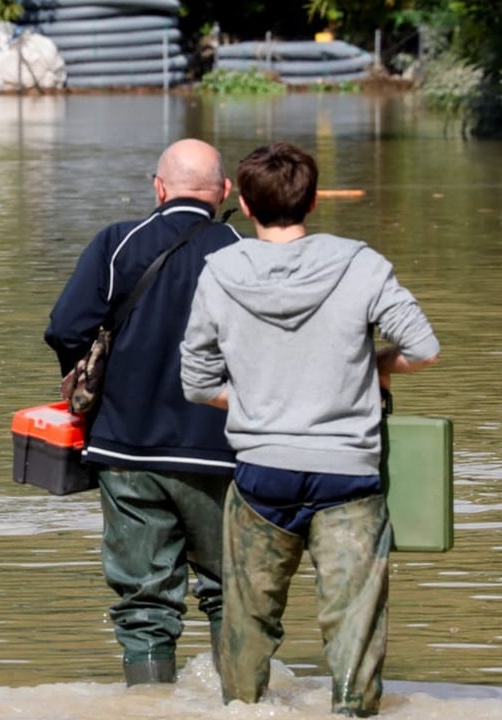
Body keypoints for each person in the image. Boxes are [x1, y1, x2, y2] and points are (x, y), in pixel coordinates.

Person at [181, 141, 440, 716]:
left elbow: (196, 383)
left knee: (247, 620)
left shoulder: (219, 273)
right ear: (314, 201)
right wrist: (373, 367)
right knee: (355, 626)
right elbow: (423, 350)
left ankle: (241, 708)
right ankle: (352, 709)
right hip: (346, 475)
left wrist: (256, 404)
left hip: (260, 476)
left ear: (244, 204)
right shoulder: (362, 265)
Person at [44, 139, 240, 686]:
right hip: (220, 452)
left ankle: (148, 702)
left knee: (144, 602)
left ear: (159, 188)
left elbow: (65, 327)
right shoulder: (242, 250)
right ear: (224, 192)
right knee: (232, 591)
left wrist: (98, 380)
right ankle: (243, 700)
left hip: (125, 449)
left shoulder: (118, 241)